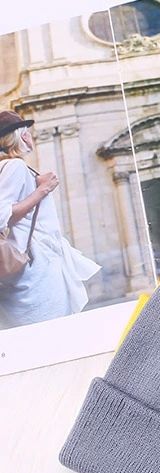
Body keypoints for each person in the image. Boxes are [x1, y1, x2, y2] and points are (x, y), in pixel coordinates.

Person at [0, 110, 101, 328]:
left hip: (32, 263)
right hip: (35, 266)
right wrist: (43, 189)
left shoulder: (11, 166)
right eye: (26, 132)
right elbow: (2, 216)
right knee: (52, 328)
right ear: (19, 136)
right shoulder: (15, 166)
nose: (30, 136)